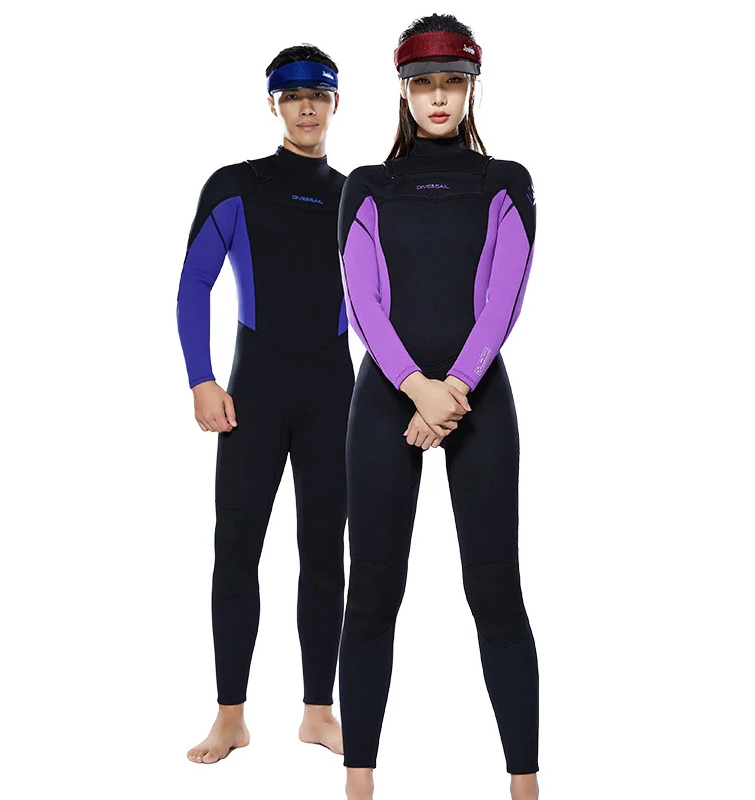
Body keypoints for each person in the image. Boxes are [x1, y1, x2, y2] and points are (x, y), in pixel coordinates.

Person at [337, 14, 539, 800]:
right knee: (372, 592)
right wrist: (415, 387)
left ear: (472, 85)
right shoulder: (367, 185)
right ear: (404, 90)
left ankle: (524, 785)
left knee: (495, 590)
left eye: (453, 81)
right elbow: (363, 300)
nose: (439, 97)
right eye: (424, 83)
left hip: (478, 397)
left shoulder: (506, 182)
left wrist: (449, 389)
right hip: (388, 399)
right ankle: (359, 784)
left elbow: (504, 299)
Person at [175, 44, 354, 765]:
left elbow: (386, 296)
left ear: (335, 103)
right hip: (253, 392)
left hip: (334, 393)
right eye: (292, 95)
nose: (307, 107)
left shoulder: (356, 194)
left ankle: (317, 712)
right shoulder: (236, 185)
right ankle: (230, 718)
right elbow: (194, 283)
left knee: (325, 553)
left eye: (319, 95)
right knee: (236, 548)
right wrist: (201, 379)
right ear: (274, 104)